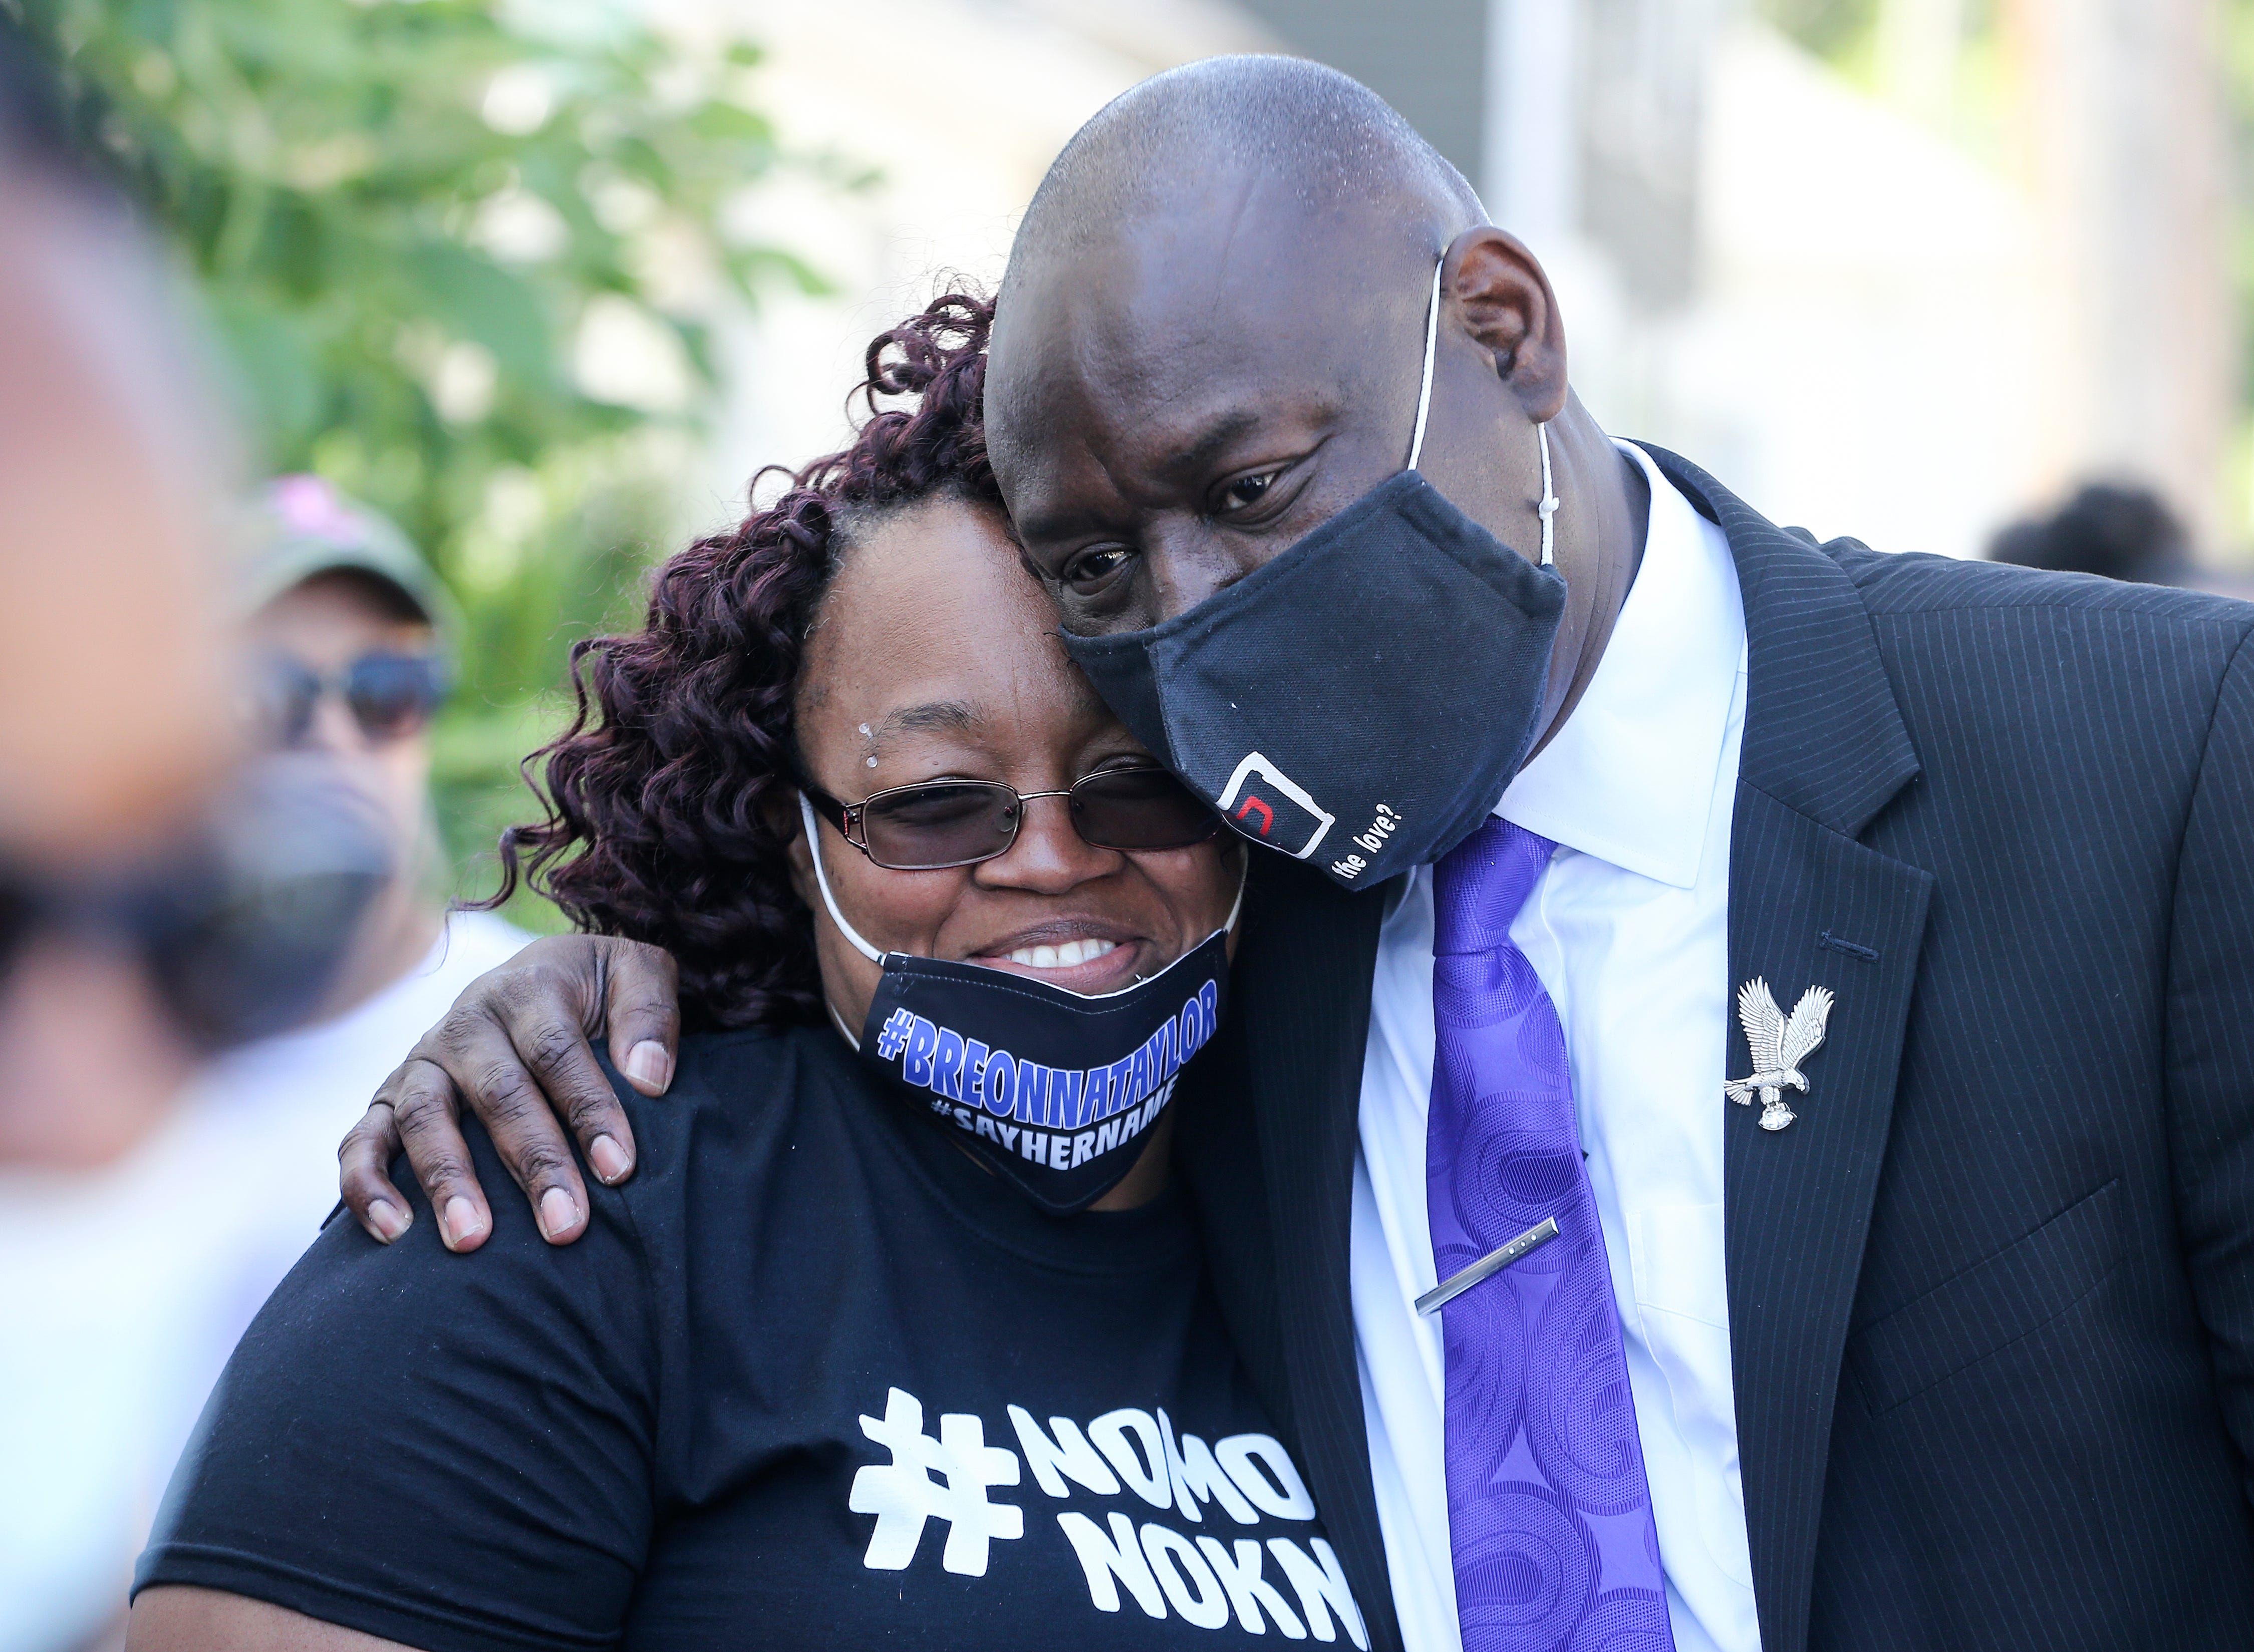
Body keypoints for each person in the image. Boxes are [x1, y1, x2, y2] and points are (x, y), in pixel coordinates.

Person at [337, 58, 2254, 1652]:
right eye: (1098, 565)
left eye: (1250, 490)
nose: (1192, 620)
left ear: (1500, 331)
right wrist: (590, 981)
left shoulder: (2161, 766)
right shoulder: (1222, 901)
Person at [129, 299, 1371, 1651]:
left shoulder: (1361, 1216)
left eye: (1138, 779)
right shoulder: (575, 1196)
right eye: (938, 801)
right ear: (794, 842)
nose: (1053, 857)